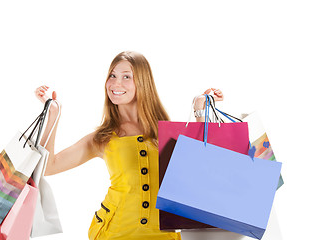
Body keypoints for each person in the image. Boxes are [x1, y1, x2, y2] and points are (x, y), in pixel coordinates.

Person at [35, 51, 223, 240]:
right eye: (112, 75)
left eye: (126, 77)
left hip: (163, 235)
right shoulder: (103, 137)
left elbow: (204, 165)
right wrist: (53, 114)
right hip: (114, 232)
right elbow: (48, 166)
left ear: (142, 82)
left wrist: (201, 110)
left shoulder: (167, 133)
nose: (116, 83)